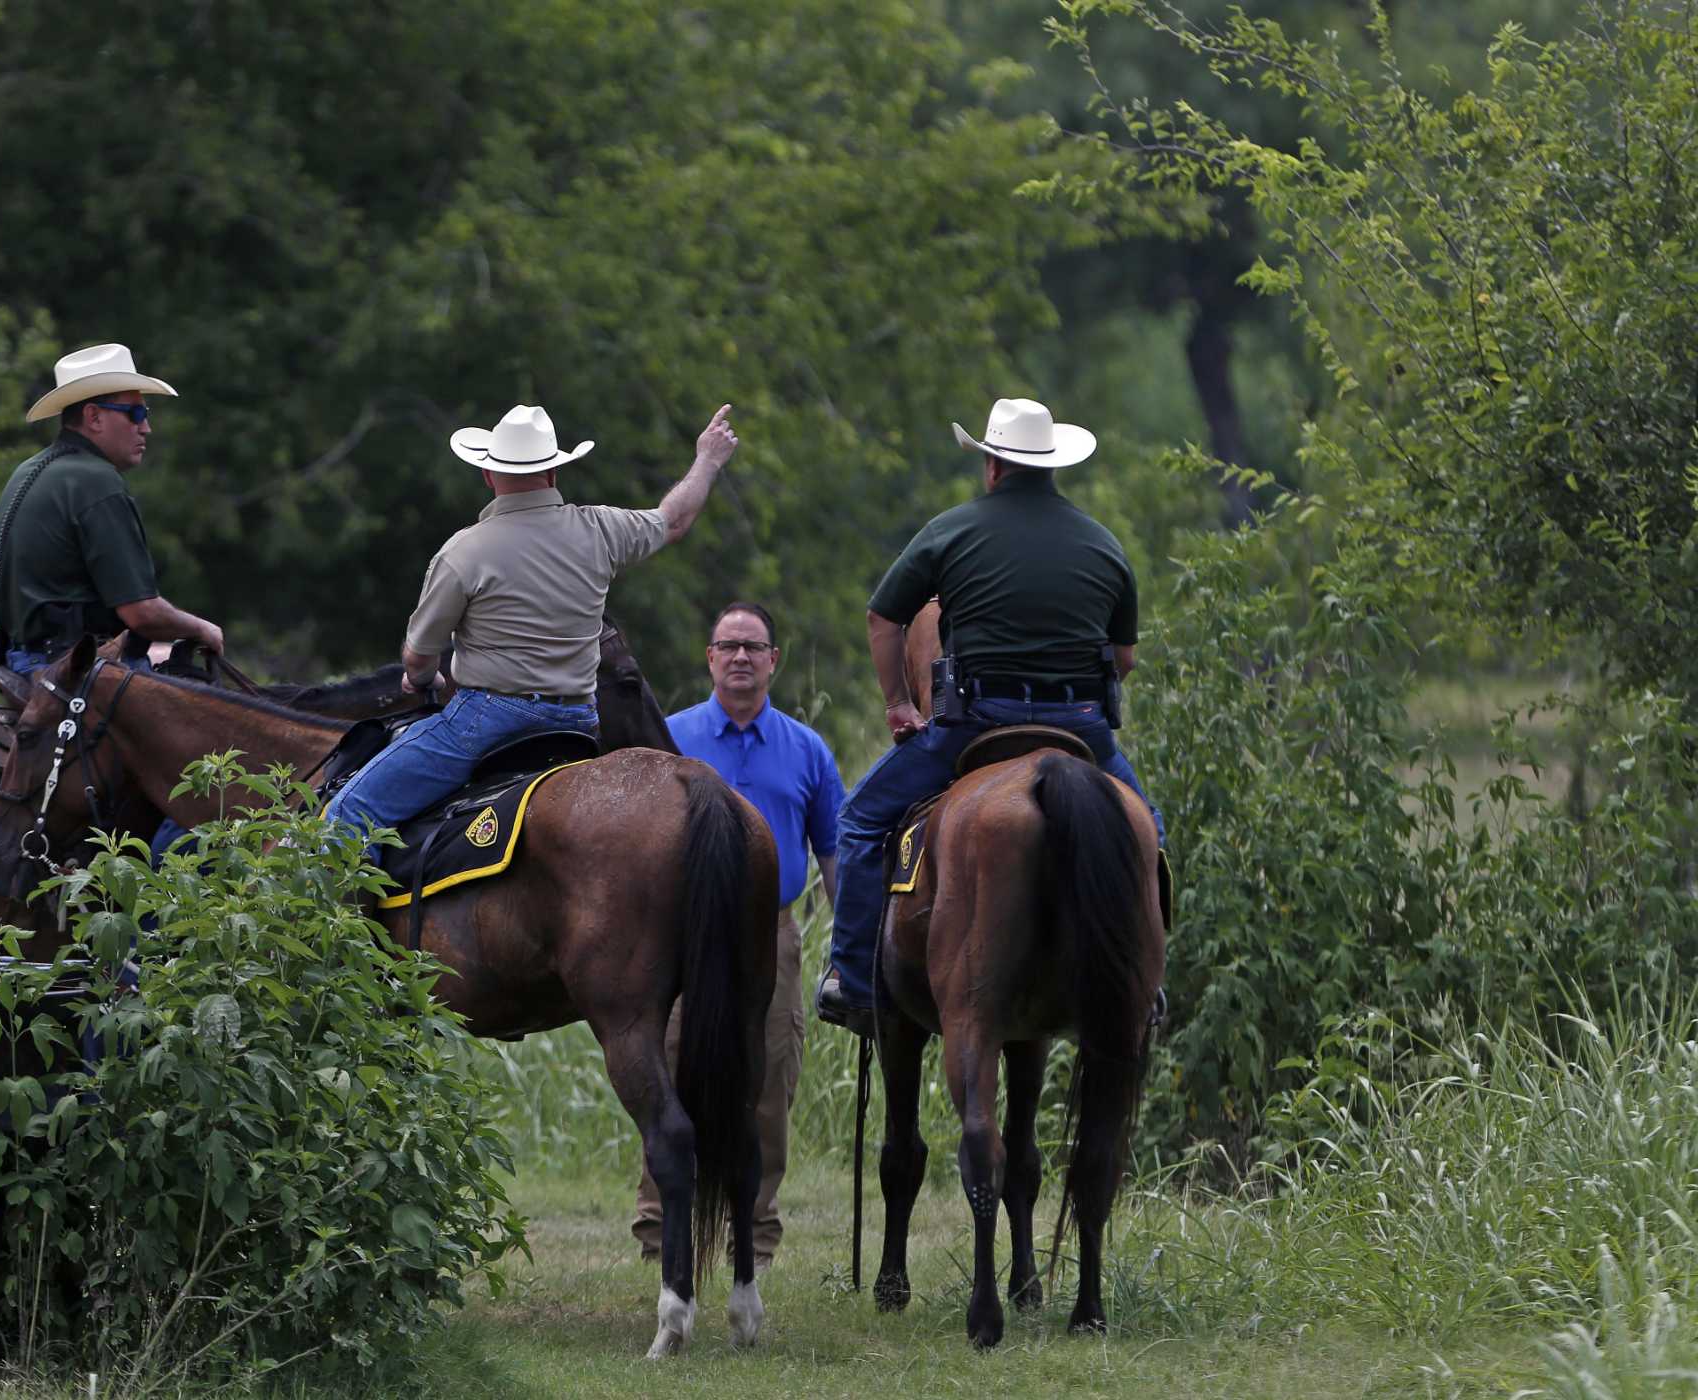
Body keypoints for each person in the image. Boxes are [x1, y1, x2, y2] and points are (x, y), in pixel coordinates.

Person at [816, 397, 1164, 1036]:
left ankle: (854, 983)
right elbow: (1124, 658)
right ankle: (1146, 981)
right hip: (1081, 728)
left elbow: (883, 618)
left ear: (993, 465)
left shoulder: (950, 531)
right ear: (1051, 465)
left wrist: (898, 703)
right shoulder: (1104, 544)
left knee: (860, 822)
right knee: (1151, 833)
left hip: (975, 724)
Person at [322, 402, 738, 851]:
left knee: (347, 815)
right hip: (578, 721)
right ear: (554, 473)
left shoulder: (463, 553)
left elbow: (418, 656)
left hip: (485, 723)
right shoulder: (600, 529)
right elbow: (673, 519)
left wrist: (423, 678)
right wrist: (707, 460)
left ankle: (342, 920)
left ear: (488, 476)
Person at [631, 602, 843, 1269]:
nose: (742, 657)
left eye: (755, 646)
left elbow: (834, 853)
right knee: (663, 1072)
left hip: (767, 936)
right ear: (710, 657)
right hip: (676, 936)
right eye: (729, 646)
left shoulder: (807, 750)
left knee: (767, 1080)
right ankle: (658, 1227)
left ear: (774, 660)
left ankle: (754, 1233)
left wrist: (852, 951)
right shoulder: (666, 738)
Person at [0, 342, 224, 679]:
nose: (145, 427)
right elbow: (142, 613)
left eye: (146, 414)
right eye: (136, 413)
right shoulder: (97, 480)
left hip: (20, 663)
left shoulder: (27, 470)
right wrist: (203, 630)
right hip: (76, 671)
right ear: (94, 416)